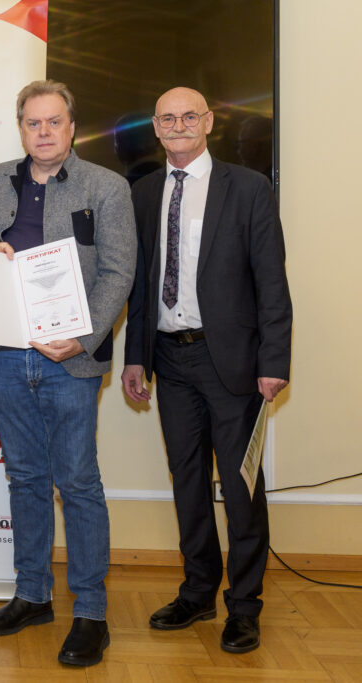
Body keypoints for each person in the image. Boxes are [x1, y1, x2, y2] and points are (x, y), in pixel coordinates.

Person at [0, 79, 136, 667]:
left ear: (72, 126)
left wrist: (82, 339)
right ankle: (32, 595)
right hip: (7, 354)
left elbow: (118, 272)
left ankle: (90, 611)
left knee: (78, 483)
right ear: (21, 128)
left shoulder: (105, 187)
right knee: (26, 479)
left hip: (72, 359)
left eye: (53, 122)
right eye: (33, 123)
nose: (43, 132)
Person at [122, 87, 292, 654]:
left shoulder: (248, 189)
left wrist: (274, 362)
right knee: (187, 482)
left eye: (188, 116)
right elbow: (141, 283)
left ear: (209, 122)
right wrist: (136, 357)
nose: (178, 125)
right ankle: (197, 592)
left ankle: (244, 607)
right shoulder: (144, 192)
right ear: (155, 127)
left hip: (235, 366)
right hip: (170, 360)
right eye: (167, 118)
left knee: (241, 490)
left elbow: (271, 283)